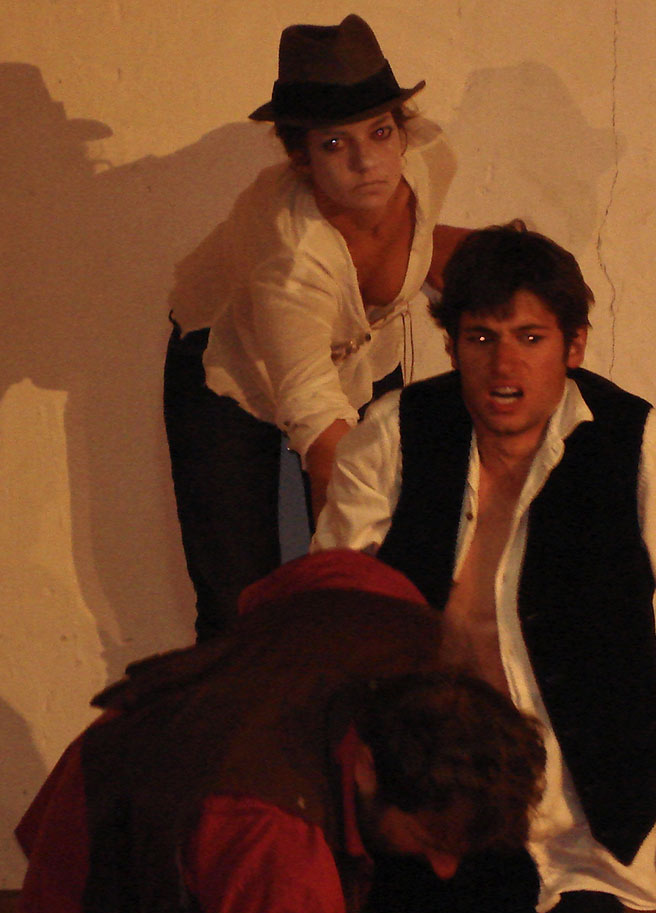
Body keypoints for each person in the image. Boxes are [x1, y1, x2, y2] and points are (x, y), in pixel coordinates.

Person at [314, 223, 656, 913]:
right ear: (451, 344)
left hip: (573, 829)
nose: (504, 364)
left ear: (573, 346)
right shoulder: (395, 436)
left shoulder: (635, 445)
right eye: (481, 338)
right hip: (425, 812)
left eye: (530, 337)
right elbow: (331, 613)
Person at [7, 549, 546, 913]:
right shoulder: (277, 841)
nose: (446, 868)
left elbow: (309, 579)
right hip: (112, 831)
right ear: (367, 768)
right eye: (430, 840)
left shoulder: (390, 616)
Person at [164, 14, 469, 641]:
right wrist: (347, 600)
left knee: (398, 566)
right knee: (237, 602)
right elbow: (327, 447)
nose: (366, 161)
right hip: (230, 367)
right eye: (334, 144)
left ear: (403, 132)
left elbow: (418, 239)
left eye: (380, 131)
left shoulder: (429, 159)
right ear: (300, 159)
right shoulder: (292, 258)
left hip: (360, 354)